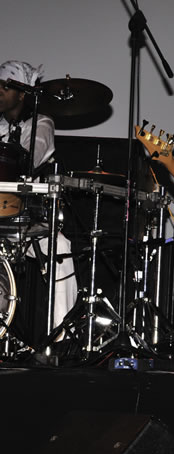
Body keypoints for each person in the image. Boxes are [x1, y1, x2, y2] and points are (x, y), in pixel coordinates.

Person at [0, 60, 77, 342]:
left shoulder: (41, 124)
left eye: (6, 86)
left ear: (23, 94)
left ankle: (61, 338)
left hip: (21, 217)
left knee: (60, 247)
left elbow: (29, 159)